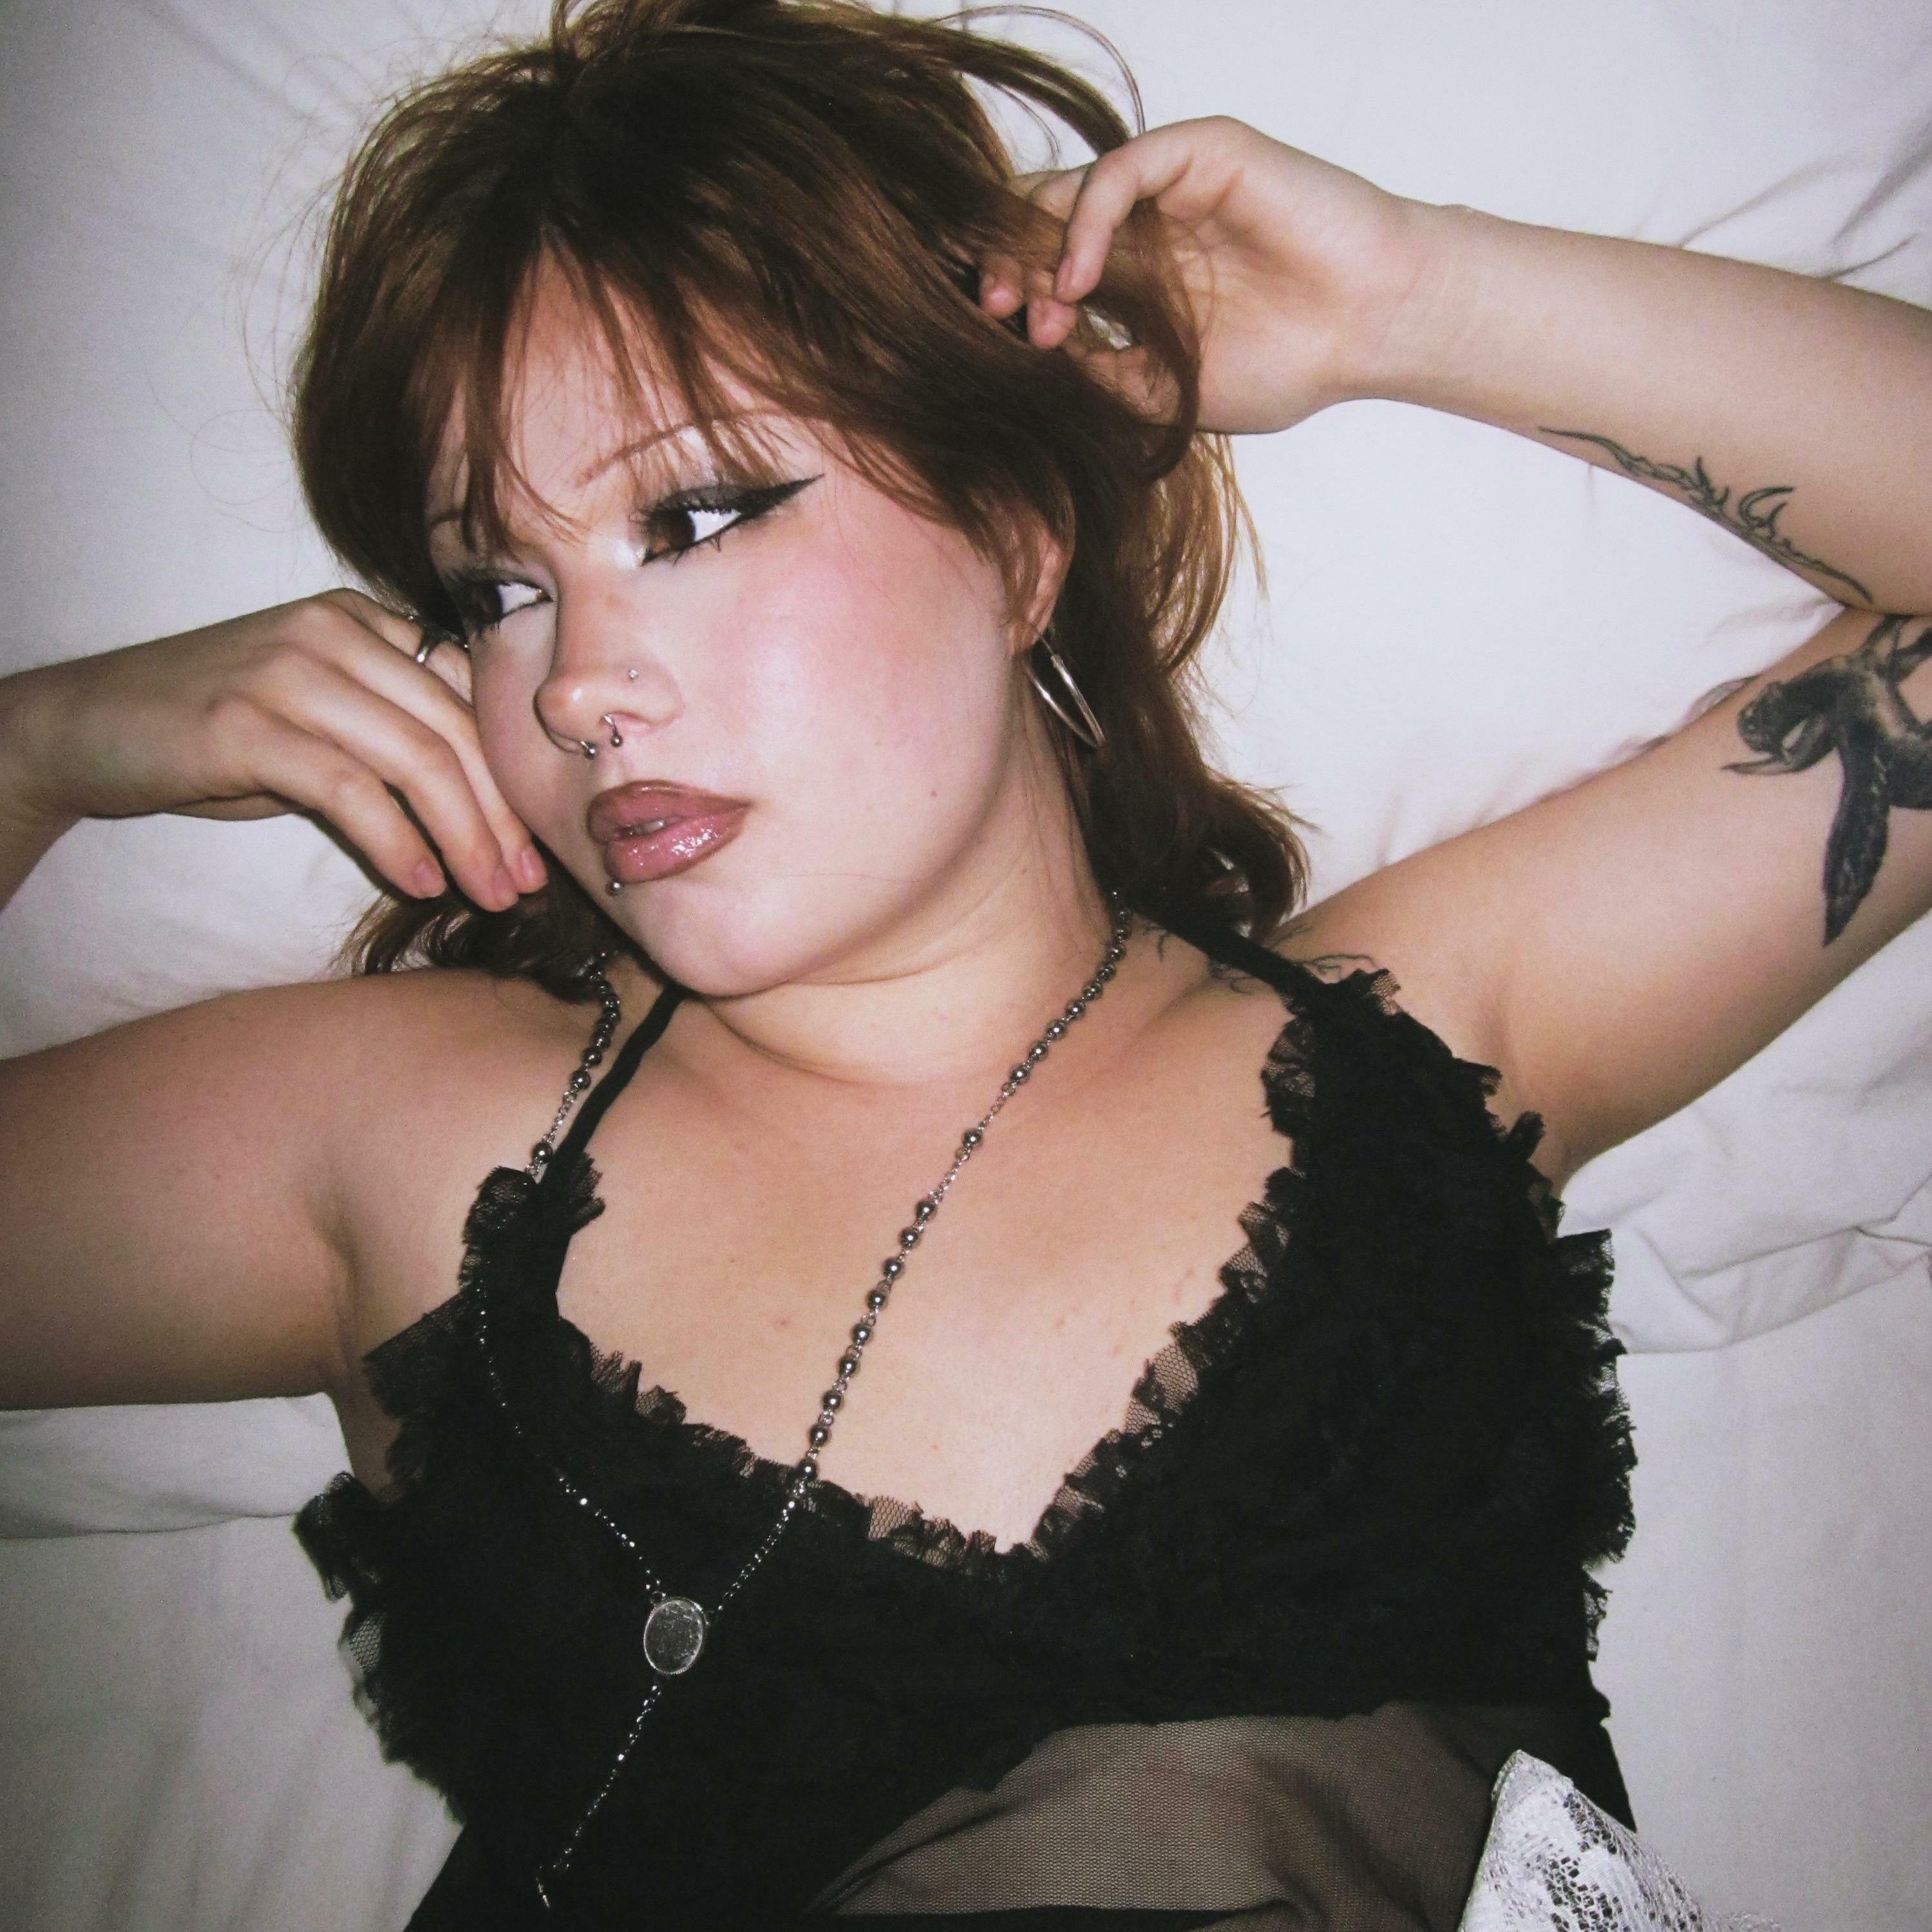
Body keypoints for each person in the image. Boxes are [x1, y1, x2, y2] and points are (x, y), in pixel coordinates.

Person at [1, 0, 1927, 1922]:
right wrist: (34, 754)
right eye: (500, 588)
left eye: (697, 514)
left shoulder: (1415, 1058)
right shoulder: (396, 1145)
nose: (578, 685)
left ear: (1012, 534)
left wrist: (1403, 303)